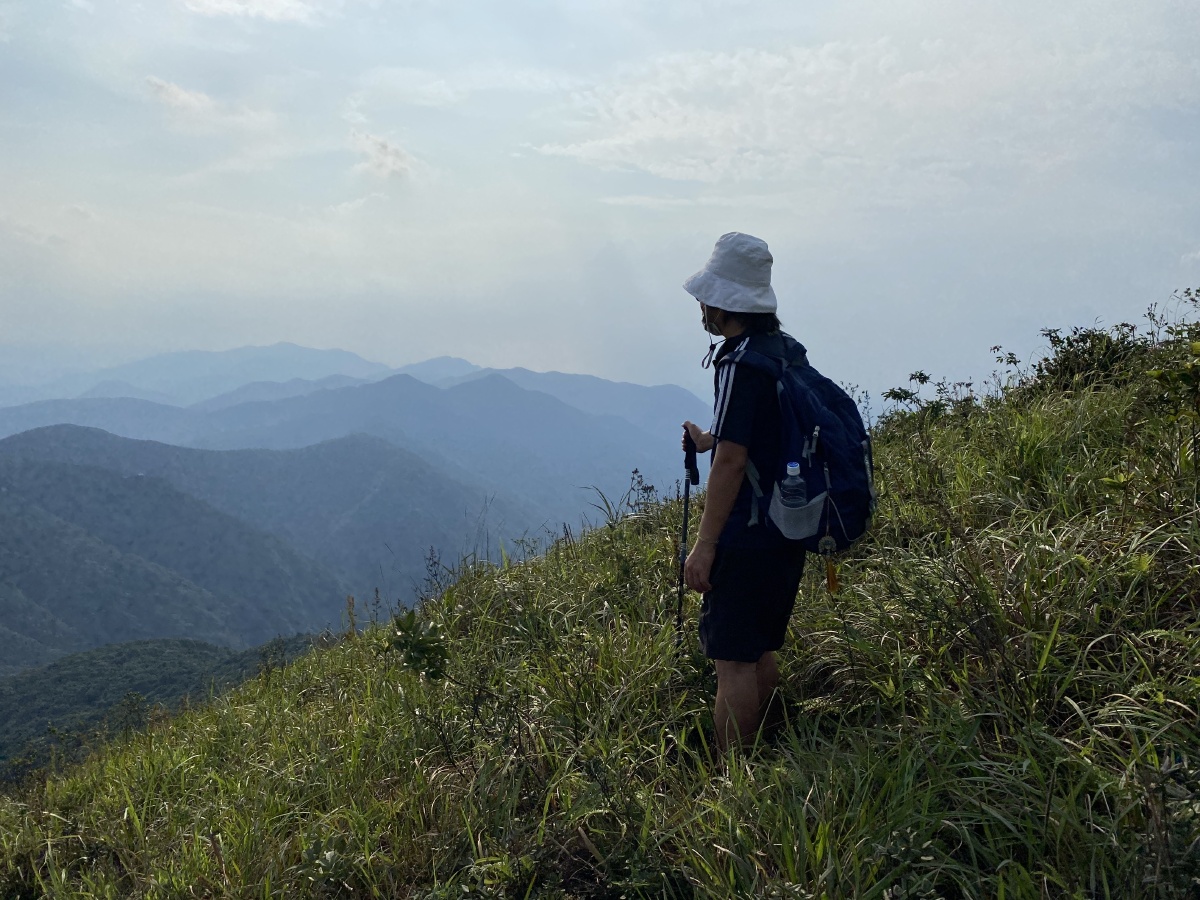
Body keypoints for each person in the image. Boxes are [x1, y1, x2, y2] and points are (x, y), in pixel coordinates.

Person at [681, 232, 807, 751]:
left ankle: (735, 785)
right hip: (789, 523)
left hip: (747, 533)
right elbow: (762, 436)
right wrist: (712, 439)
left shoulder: (737, 361)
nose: (703, 308)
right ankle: (773, 751)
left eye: (708, 298)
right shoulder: (783, 351)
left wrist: (705, 546)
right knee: (759, 651)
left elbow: (732, 463)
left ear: (725, 303)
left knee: (731, 661)